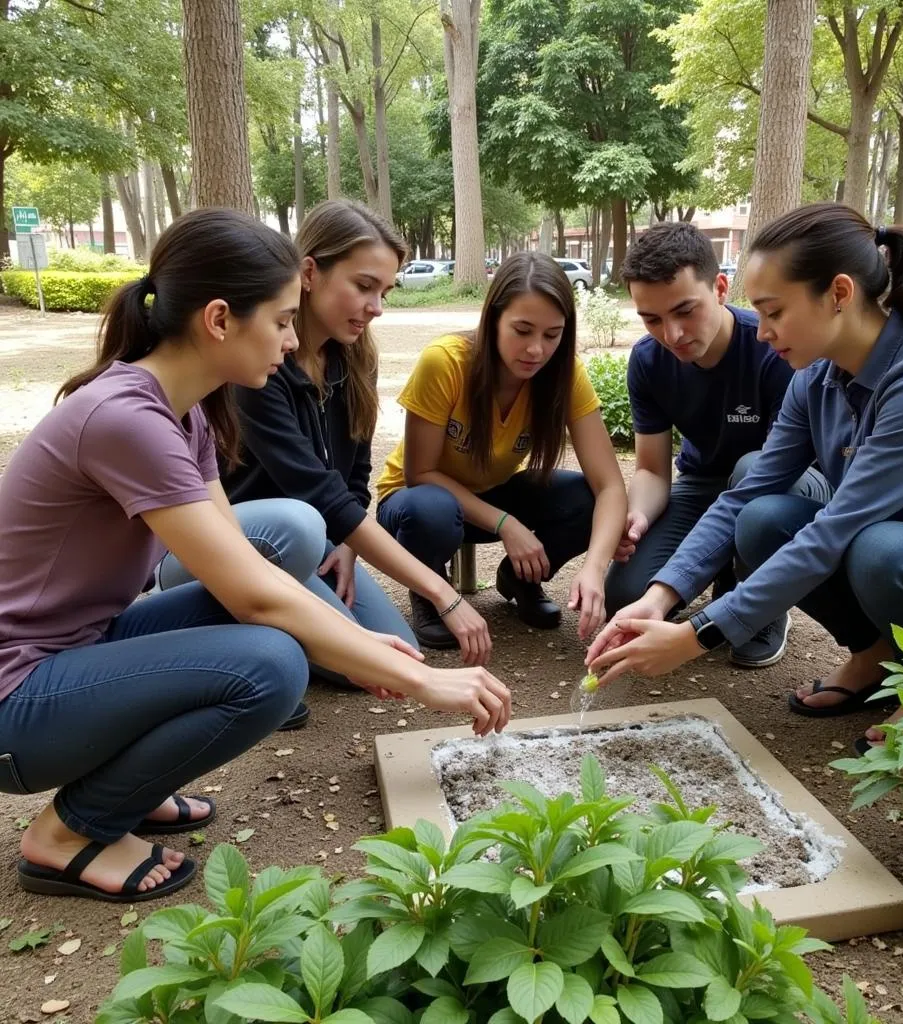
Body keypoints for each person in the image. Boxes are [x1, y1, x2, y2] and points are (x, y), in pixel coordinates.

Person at [0, 209, 511, 905]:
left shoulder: (189, 412)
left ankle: (124, 786)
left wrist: (364, 644)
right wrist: (417, 680)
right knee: (271, 665)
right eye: (280, 320)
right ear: (218, 319)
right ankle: (65, 834)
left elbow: (245, 570)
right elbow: (255, 597)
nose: (293, 339)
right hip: (17, 700)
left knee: (276, 638)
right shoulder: (126, 419)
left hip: (75, 650)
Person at [587, 202, 903, 754]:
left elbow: (835, 530)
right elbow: (746, 492)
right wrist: (659, 596)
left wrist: (699, 635)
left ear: (839, 293)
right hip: (894, 551)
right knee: (763, 518)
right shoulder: (816, 376)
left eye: (773, 312)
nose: (762, 333)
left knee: (880, 549)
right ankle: (873, 655)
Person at [158, 200, 492, 673]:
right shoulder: (258, 361)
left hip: (312, 543)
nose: (375, 307)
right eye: (363, 286)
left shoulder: (356, 359)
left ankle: (280, 638)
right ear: (309, 272)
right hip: (245, 540)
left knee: (389, 647)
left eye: (385, 292)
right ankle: (235, 638)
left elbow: (354, 476)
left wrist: (348, 548)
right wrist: (443, 593)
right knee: (300, 531)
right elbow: (315, 492)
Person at [605, 221, 830, 667]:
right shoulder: (649, 361)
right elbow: (651, 469)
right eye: (651, 319)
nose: (671, 334)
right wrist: (636, 517)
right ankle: (716, 580)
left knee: (751, 469)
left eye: (685, 310)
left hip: (788, 487)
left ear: (721, 288)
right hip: (705, 483)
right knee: (627, 596)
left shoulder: (774, 351)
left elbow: (780, 469)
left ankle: (760, 603)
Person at [376, 251, 627, 644]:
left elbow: (610, 485)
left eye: (552, 334)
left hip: (491, 494)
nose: (536, 350)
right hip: (414, 502)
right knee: (431, 510)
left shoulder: (564, 374)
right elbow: (419, 473)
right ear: (493, 319)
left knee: (584, 499)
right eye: (522, 330)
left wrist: (595, 567)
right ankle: (430, 592)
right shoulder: (445, 362)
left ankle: (521, 577)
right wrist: (505, 523)